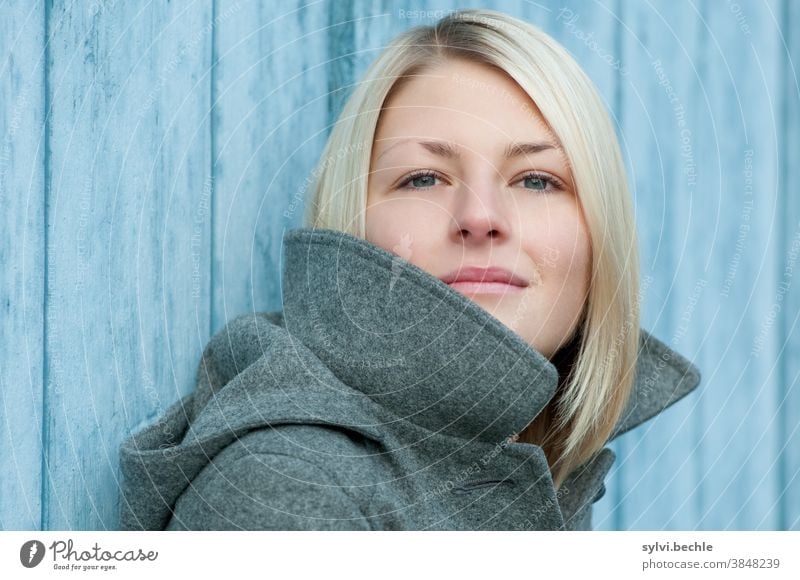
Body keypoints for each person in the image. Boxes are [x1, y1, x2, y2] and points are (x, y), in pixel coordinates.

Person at [119, 8, 701, 530]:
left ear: (601, 233)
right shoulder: (293, 493)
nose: (480, 217)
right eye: (422, 178)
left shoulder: (538, 476)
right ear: (354, 224)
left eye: (536, 180)